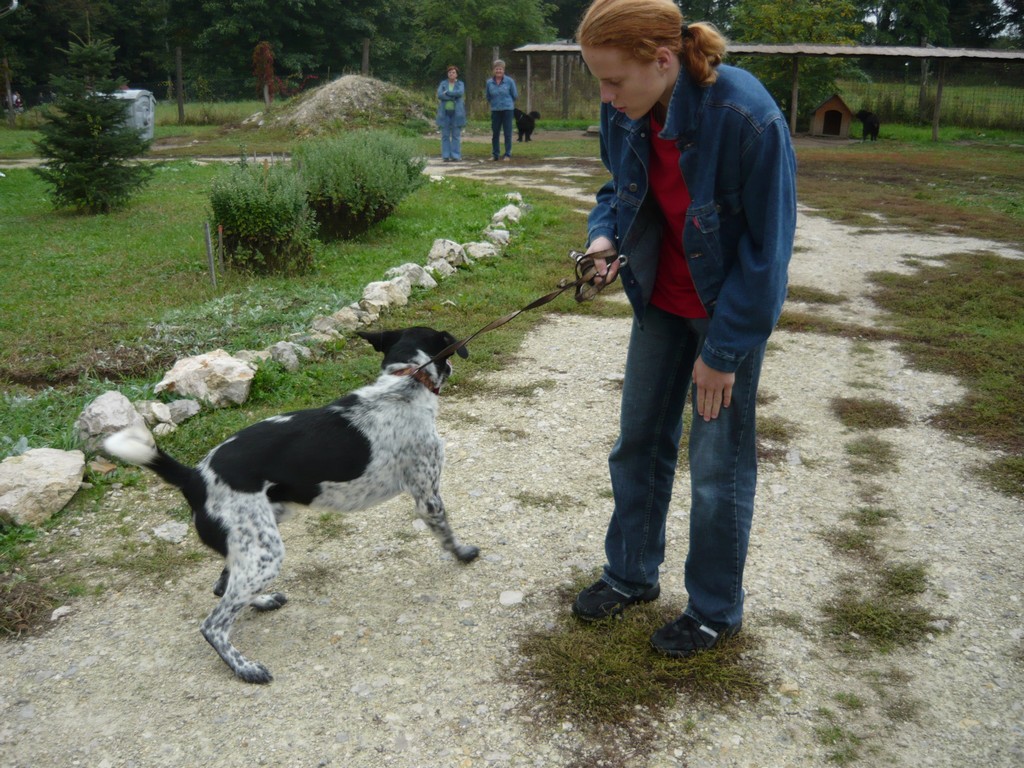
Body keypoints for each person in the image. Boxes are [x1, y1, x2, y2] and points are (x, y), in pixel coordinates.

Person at [570, 0, 797, 659]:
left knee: (716, 466)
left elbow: (768, 254)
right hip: (660, 304)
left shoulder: (747, 117)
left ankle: (714, 610)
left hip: (724, 313)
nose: (606, 97)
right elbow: (616, 190)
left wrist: (723, 354)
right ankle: (631, 574)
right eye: (599, 82)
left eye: (614, 81)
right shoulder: (627, 110)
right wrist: (604, 238)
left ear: (663, 61)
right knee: (637, 443)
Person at [485, 59, 518, 161]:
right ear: (493, 70)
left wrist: (508, 103)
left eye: (500, 69)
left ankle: (507, 154)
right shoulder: (489, 82)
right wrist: (494, 103)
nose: (498, 71)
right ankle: (495, 154)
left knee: (507, 133)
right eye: (496, 69)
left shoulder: (509, 81)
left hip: (507, 110)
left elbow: (514, 95)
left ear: (503, 70)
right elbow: (488, 96)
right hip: (495, 110)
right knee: (495, 133)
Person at [436, 65, 466, 162]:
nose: (451, 74)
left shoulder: (460, 84)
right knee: (445, 135)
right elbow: (440, 95)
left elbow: (460, 93)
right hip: (444, 112)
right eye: (449, 72)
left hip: (457, 113)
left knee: (456, 135)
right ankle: (445, 155)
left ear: (456, 74)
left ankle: (455, 155)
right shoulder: (443, 83)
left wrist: (447, 92)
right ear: (447, 74)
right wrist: (452, 97)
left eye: (453, 72)